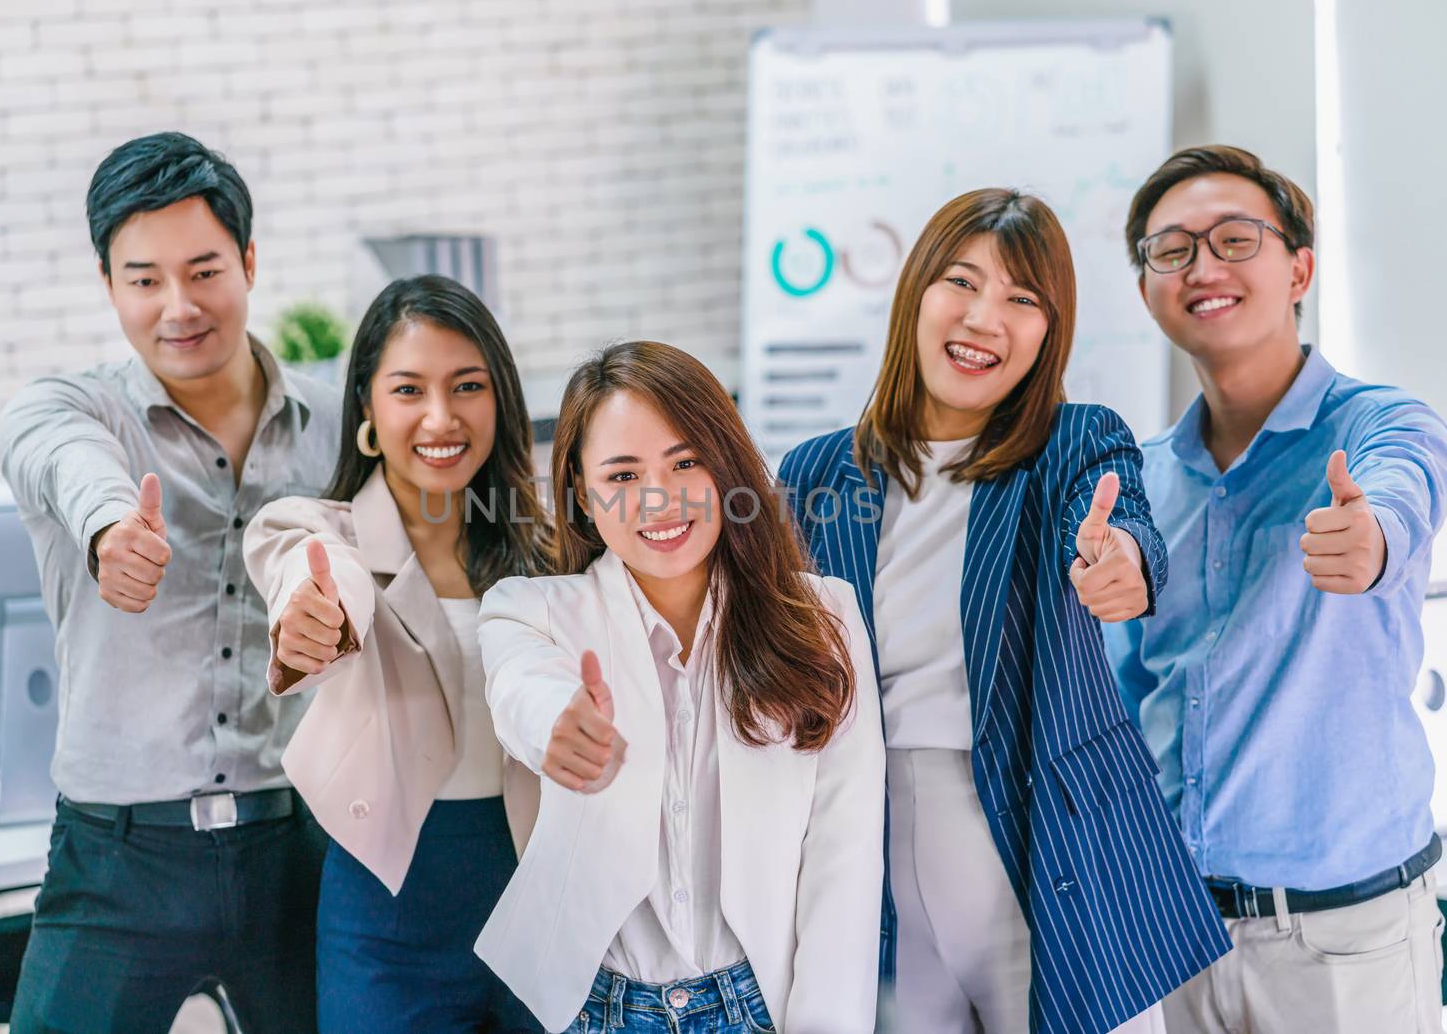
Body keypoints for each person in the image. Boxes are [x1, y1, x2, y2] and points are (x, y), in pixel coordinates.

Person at [780, 188, 1230, 1034]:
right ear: (916, 291)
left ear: (1048, 333)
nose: (987, 317)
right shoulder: (813, 474)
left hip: (1050, 851)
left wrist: (1120, 563)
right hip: (872, 854)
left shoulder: (1071, 445)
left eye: (1023, 299)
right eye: (962, 281)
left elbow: (1121, 525)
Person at [0, 131, 339, 1032]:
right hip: (117, 860)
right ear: (108, 283)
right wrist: (112, 527)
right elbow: (65, 462)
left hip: (292, 841)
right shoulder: (68, 409)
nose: (177, 306)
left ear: (250, 261)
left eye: (203, 270)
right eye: (143, 279)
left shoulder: (333, 422)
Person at [1105, 145, 1447, 1033]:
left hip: (1342, 940)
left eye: (1233, 238)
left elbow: (1404, 491)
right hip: (1175, 935)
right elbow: (1132, 706)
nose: (1202, 266)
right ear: (1146, 289)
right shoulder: (1137, 482)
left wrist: (1370, 539)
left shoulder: (1379, 422)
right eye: (1170, 250)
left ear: (1299, 267)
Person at [473, 341, 885, 1033]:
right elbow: (520, 687)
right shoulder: (530, 609)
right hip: (601, 1011)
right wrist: (557, 723)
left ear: (726, 464)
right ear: (580, 491)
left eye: (685, 461)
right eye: (623, 474)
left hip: (763, 1007)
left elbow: (844, 858)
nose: (658, 498)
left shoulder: (824, 616)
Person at [244, 274, 550, 1032]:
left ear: (500, 402)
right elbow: (307, 573)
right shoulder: (321, 532)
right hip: (388, 924)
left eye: (467, 386)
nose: (440, 417)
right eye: (409, 389)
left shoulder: (550, 550)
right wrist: (313, 619)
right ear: (368, 414)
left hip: (540, 903)